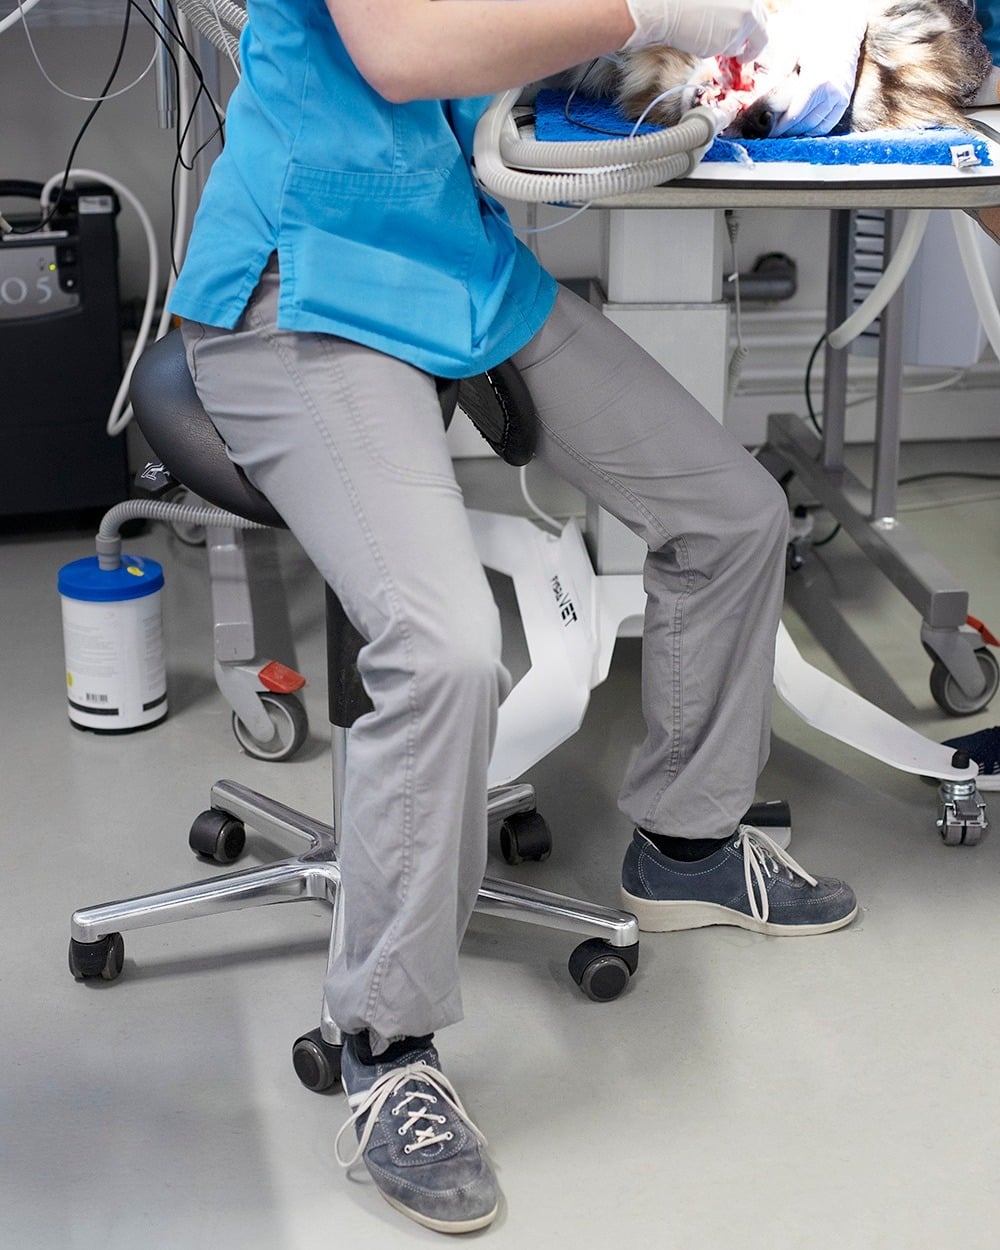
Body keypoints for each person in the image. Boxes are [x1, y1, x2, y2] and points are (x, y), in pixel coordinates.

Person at [168, 0, 860, 1233]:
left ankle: (688, 847)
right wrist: (651, 8)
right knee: (443, 649)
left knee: (734, 514)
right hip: (303, 281)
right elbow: (399, 53)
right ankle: (385, 1049)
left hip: (454, 263)